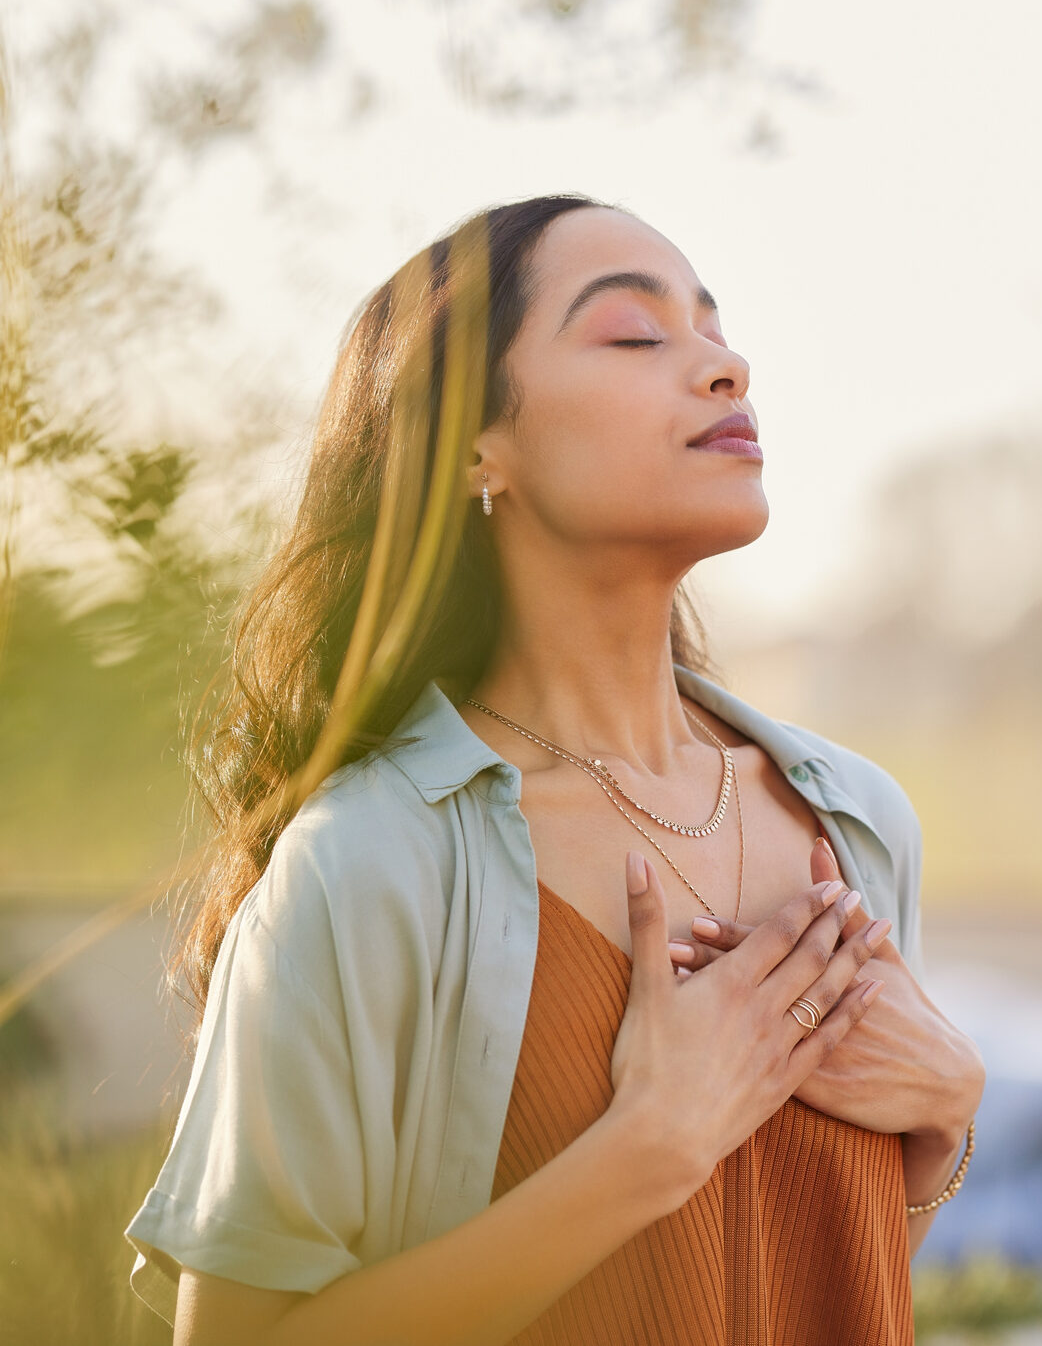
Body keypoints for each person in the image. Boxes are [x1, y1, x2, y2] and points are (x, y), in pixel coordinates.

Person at [123, 192, 986, 1346]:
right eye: (636, 334)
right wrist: (648, 1149)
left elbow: (817, 1271)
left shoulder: (860, 820)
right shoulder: (368, 862)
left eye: (715, 329)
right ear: (478, 447)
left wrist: (943, 1122)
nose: (725, 366)